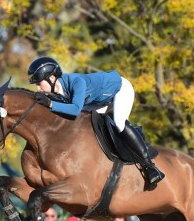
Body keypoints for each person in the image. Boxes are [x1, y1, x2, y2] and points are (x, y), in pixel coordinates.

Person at [28, 56, 164, 186]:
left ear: (51, 78)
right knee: (83, 124)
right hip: (97, 100)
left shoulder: (76, 82)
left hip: (119, 89)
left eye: (39, 84)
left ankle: (149, 166)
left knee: (119, 122)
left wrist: (51, 104)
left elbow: (75, 109)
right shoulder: (57, 90)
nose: (38, 89)